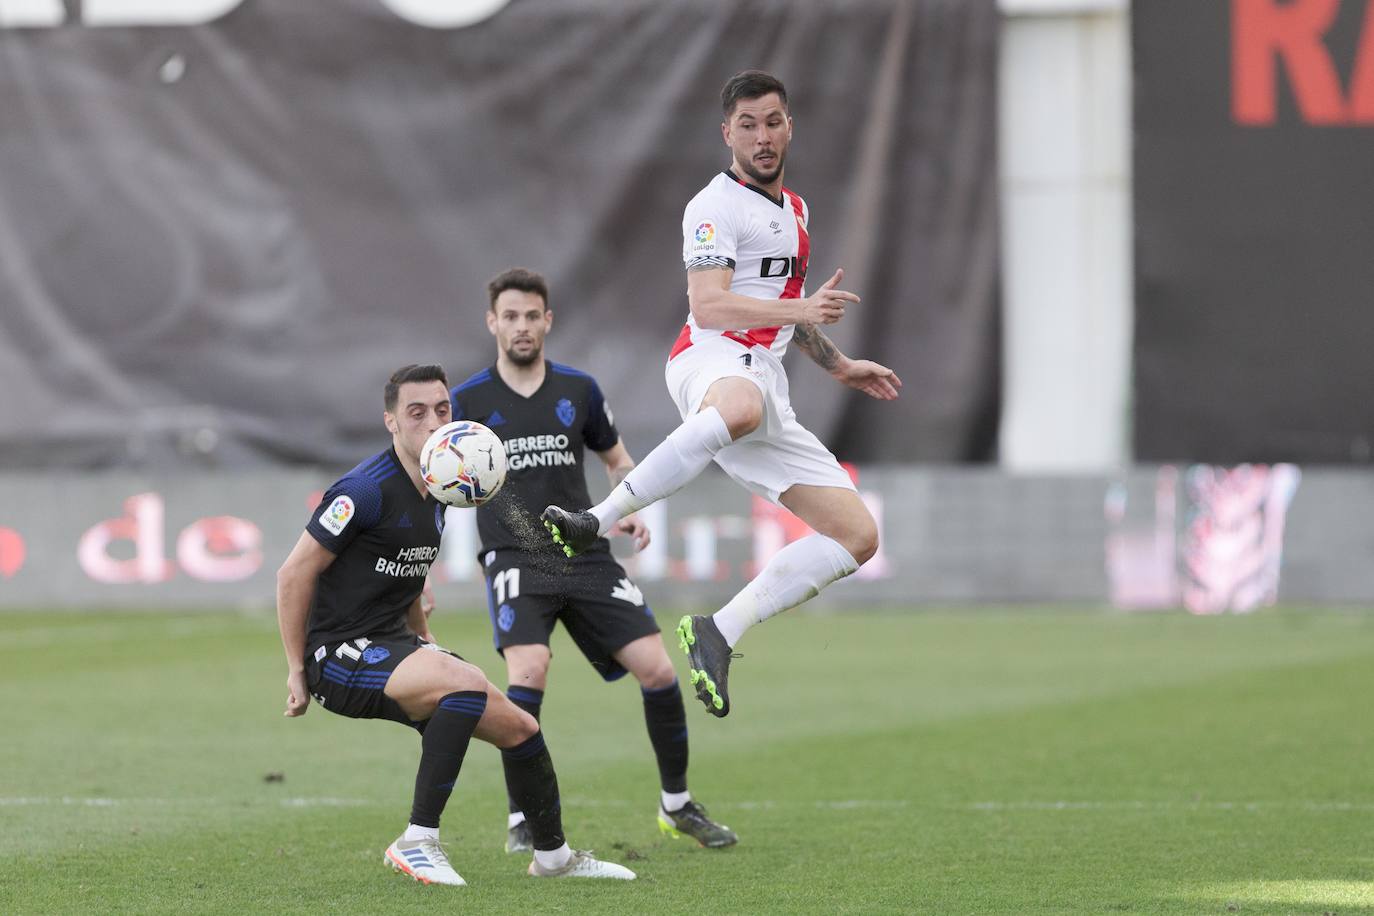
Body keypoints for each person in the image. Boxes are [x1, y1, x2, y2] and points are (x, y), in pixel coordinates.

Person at [542, 70, 902, 718]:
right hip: (708, 359)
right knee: (740, 405)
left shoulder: (796, 212)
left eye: (772, 122)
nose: (762, 137)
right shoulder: (713, 206)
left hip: (766, 382)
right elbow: (709, 306)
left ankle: (718, 632)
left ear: (790, 126)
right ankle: (595, 522)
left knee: (857, 537)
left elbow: (788, 307)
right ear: (726, 133)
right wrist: (803, 314)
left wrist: (840, 364)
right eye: (747, 125)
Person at [275, 363, 635, 887]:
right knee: (465, 686)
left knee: (521, 728)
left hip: (393, 645)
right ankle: (416, 841)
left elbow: (409, 578)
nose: (432, 421)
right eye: (415, 413)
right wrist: (294, 669)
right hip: (338, 655)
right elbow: (293, 574)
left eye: (442, 410)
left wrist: (427, 643)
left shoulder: (445, 486)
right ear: (391, 422)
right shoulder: (363, 491)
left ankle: (553, 858)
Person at [448, 267, 737, 852]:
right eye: (511, 316)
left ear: (547, 321)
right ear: (492, 323)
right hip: (514, 557)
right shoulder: (469, 401)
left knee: (657, 669)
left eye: (532, 315)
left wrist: (627, 504)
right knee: (527, 672)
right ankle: (522, 820)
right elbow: (442, 477)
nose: (522, 326)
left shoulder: (579, 390)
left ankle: (677, 805)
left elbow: (617, 459)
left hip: (582, 552)